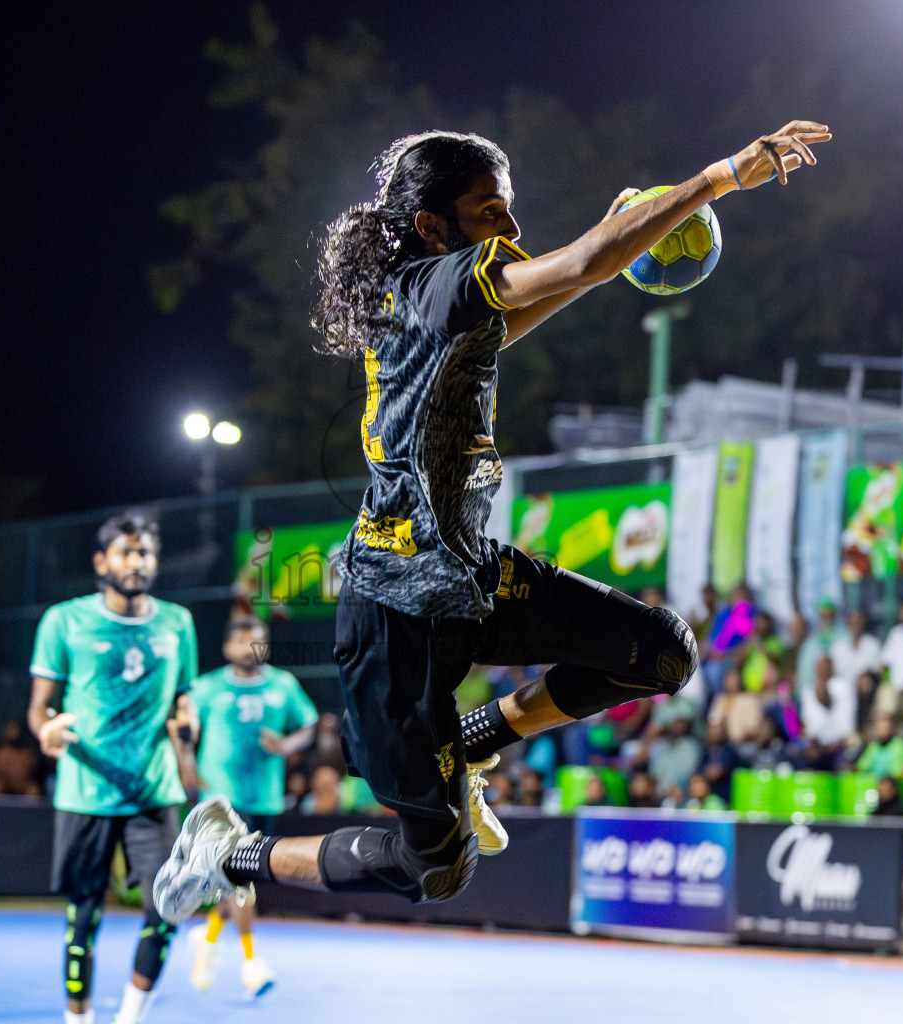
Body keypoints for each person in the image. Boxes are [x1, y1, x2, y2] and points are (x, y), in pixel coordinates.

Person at [151, 121, 830, 920]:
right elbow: (575, 263)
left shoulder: (441, 299)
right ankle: (228, 852)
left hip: (466, 575)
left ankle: (468, 745)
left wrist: (614, 243)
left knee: (659, 653)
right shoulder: (437, 280)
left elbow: (561, 282)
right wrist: (718, 178)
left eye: (508, 210)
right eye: (489, 212)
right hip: (395, 616)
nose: (508, 227)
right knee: (433, 870)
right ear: (433, 227)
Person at [27, 512, 198, 1024]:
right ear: (102, 561)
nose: (137, 560)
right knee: (83, 916)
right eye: (126, 551)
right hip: (86, 791)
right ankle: (77, 1017)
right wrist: (46, 731)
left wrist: (185, 721)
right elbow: (40, 708)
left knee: (167, 910)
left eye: (145, 551)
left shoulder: (178, 622)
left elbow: (183, 699)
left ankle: (129, 1017)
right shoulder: (64, 620)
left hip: (154, 789)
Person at [185, 616, 317, 1000]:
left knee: (242, 879)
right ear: (227, 648)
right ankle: (251, 964)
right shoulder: (206, 687)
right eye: (242, 642)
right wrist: (186, 767)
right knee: (240, 879)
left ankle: (207, 937)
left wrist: (290, 745)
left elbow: (307, 726)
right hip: (221, 798)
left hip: (265, 795)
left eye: (258, 641)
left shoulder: (283, 685)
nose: (250, 648)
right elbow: (182, 729)